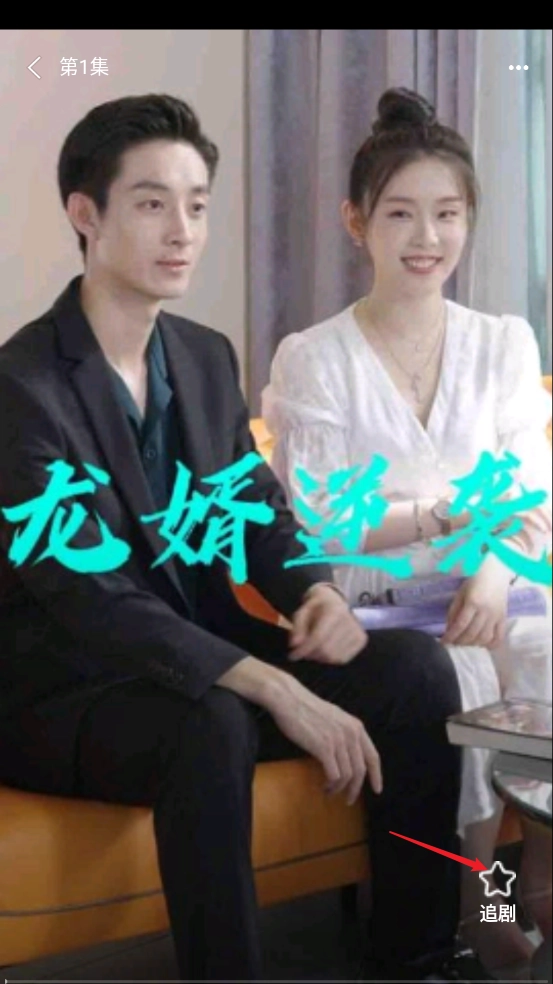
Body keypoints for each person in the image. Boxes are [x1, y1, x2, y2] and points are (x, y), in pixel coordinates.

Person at [0, 93, 490, 983]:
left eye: (196, 205)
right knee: (212, 720)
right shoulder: (22, 387)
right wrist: (272, 685)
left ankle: (416, 960)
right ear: (85, 214)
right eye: (151, 203)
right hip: (68, 692)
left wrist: (316, 591)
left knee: (415, 672)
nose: (182, 231)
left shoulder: (200, 355)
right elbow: (87, 594)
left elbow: (254, 506)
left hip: (203, 662)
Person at [263, 87, 553, 978]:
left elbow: (531, 496)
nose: (426, 236)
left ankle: (537, 885)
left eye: (447, 213)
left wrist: (492, 573)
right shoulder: (313, 357)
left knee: (544, 655)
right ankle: (479, 906)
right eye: (399, 213)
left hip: (496, 585)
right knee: (465, 682)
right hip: (383, 607)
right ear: (356, 221)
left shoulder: (503, 342)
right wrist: (454, 515)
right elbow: (324, 520)